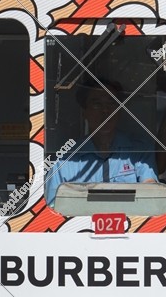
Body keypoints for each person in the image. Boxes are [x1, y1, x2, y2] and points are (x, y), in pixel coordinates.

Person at [45, 79, 157, 207]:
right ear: (84, 113)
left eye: (111, 104)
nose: (105, 111)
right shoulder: (65, 158)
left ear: (119, 110)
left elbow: (151, 194)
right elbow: (53, 208)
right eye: (97, 104)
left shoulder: (140, 150)